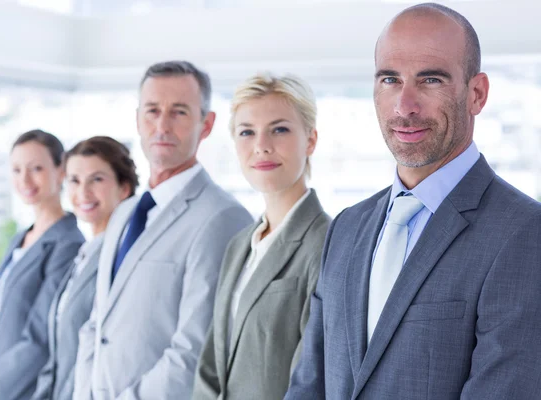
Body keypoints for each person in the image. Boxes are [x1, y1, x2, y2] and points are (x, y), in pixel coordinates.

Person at [285, 3, 541, 399]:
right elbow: (308, 386)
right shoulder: (346, 228)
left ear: (477, 94)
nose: (404, 106)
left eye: (431, 80)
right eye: (390, 79)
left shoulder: (523, 234)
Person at [73, 61, 253, 400]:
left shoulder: (223, 217)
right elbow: (96, 326)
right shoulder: (125, 213)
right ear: (138, 117)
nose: (162, 125)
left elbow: (195, 350)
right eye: (153, 111)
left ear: (207, 123)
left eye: (179, 112)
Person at [191, 73, 330, 400]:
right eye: (246, 132)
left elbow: (313, 376)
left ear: (310, 140)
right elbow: (212, 363)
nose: (261, 146)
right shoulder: (240, 245)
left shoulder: (327, 243)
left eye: (279, 129)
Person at [0, 130, 85, 400]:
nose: (24, 179)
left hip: (22, 391)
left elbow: (39, 340)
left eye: (36, 168)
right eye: (16, 170)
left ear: (60, 170)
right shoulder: (20, 238)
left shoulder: (68, 245)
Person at [32, 136, 138, 400]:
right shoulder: (86, 252)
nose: (83, 192)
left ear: (124, 188)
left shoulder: (123, 257)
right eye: (75, 181)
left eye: (97, 179)